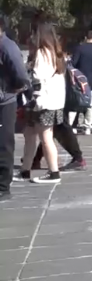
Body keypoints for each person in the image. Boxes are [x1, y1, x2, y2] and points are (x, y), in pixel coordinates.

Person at [18, 24, 66, 184]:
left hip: (43, 102)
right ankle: (25, 170)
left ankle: (54, 172)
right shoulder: (56, 52)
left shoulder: (43, 53)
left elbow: (38, 77)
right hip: (52, 101)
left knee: (45, 138)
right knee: (30, 134)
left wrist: (28, 69)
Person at [0, 13, 30, 201]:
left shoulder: (7, 47)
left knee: (4, 144)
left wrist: (13, 90)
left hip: (5, 103)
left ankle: (3, 186)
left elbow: (21, 76)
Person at [70, 30, 92, 135]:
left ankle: (71, 125)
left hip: (80, 81)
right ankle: (87, 126)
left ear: (86, 38)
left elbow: (73, 64)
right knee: (91, 105)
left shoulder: (79, 49)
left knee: (75, 103)